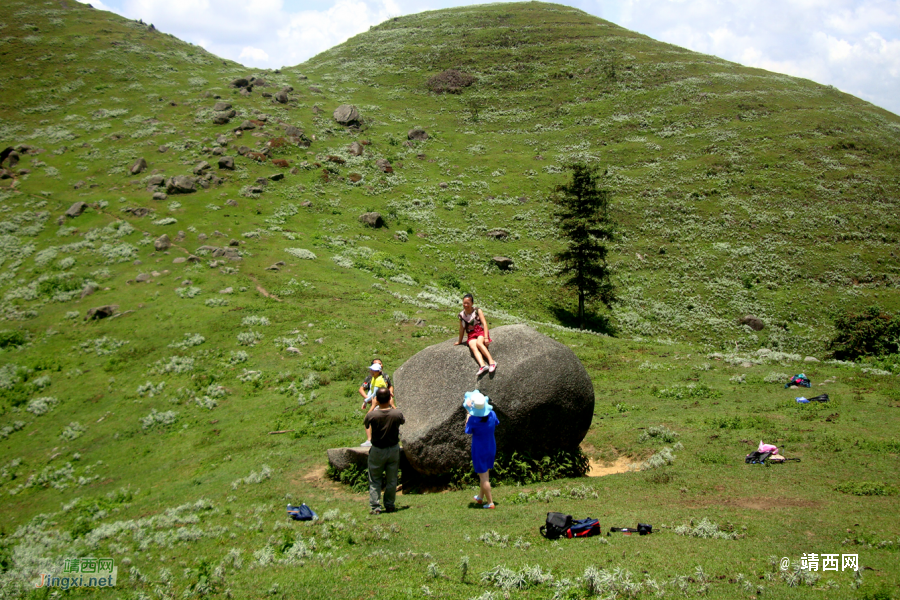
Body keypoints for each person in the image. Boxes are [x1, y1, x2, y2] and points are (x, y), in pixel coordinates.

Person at [364, 388, 405, 515]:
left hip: (377, 450)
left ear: (376, 399)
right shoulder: (396, 414)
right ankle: (390, 504)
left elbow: (366, 423)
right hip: (393, 449)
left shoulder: (372, 415)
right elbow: (402, 420)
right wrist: (392, 405)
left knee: (375, 479)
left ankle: (375, 506)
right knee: (392, 479)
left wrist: (373, 405)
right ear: (389, 398)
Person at [463, 390, 499, 509]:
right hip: (491, 446)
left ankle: (490, 503)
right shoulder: (492, 414)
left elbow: (468, 431)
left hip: (479, 449)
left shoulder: (473, 420)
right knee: (485, 473)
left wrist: (468, 417)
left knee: (484, 477)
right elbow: (496, 422)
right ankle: (480, 497)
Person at [455, 293, 496, 376]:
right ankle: (483, 365)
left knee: (479, 343)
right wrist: (459, 341)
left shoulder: (478, 310)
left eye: (468, 303)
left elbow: (484, 324)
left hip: (480, 331)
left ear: (472, 303)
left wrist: (486, 337)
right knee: (473, 346)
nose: (466, 305)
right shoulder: (461, 315)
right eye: (464, 303)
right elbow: (462, 328)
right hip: (471, 334)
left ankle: (492, 362)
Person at [360, 360, 395, 447]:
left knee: (371, 418)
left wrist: (366, 401)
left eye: (372, 370)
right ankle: (371, 439)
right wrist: (367, 399)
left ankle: (374, 439)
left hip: (380, 402)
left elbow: (376, 392)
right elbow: (369, 391)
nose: (370, 371)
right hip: (376, 401)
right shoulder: (372, 378)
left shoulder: (381, 378)